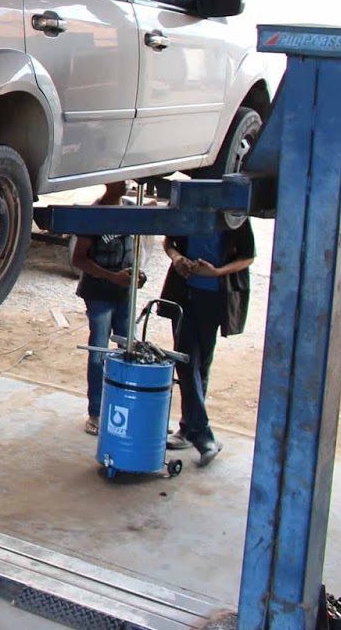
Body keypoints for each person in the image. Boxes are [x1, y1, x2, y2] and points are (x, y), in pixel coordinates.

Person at [162, 218, 256, 466]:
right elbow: (168, 242)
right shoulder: (189, 209)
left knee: (201, 364)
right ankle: (202, 435)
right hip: (185, 295)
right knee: (186, 361)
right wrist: (177, 259)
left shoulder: (234, 216)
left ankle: (187, 427)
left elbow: (248, 257)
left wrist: (216, 272)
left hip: (214, 298)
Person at [71, 181, 144, 435]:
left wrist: (137, 274)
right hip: (99, 294)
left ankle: (127, 406)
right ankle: (96, 411)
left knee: (130, 349)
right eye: (120, 180)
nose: (125, 184)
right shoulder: (95, 214)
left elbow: (135, 249)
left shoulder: (131, 209)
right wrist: (112, 277)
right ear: (108, 182)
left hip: (125, 293)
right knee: (98, 353)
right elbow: (78, 258)